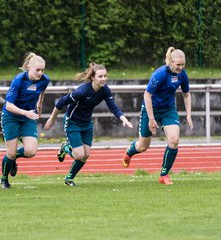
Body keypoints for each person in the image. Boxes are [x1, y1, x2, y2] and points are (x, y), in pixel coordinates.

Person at [44, 62, 133, 186]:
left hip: (86, 123)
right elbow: (61, 102)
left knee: (86, 155)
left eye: (105, 76)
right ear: (92, 77)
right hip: (72, 122)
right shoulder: (81, 91)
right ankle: (65, 148)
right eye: (100, 76)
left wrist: (124, 119)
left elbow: (113, 107)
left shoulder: (105, 90)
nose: (104, 79)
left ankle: (69, 179)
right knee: (79, 154)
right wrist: (52, 119)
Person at [122, 47, 193, 185]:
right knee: (142, 147)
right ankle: (129, 152)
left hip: (168, 110)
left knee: (174, 140)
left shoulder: (182, 74)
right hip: (151, 110)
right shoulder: (160, 74)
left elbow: (186, 94)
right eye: (178, 65)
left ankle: (164, 174)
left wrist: (189, 114)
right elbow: (147, 95)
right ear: (170, 62)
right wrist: (151, 119)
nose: (181, 67)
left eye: (183, 64)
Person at [0, 53, 49, 189]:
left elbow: (41, 92)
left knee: (31, 151)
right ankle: (4, 180)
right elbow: (9, 105)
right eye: (37, 70)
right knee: (10, 152)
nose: (40, 73)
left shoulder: (45, 80)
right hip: (11, 117)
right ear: (28, 67)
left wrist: (39, 105)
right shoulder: (18, 80)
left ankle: (14, 158)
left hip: (28, 117)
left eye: (42, 70)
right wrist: (26, 113)